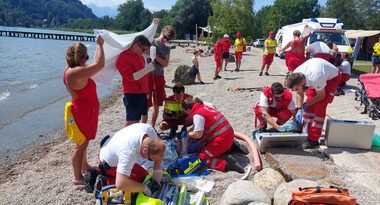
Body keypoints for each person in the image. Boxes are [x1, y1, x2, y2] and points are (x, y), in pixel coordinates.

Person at [63, 36, 105, 185]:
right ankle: (77, 177)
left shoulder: (70, 70)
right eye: (86, 56)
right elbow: (99, 64)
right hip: (83, 112)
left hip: (83, 110)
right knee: (80, 145)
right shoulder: (75, 73)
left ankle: (84, 165)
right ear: (79, 57)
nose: (88, 59)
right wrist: (99, 45)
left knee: (83, 143)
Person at [181, 98, 248, 173]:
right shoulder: (205, 107)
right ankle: (232, 146)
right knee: (210, 144)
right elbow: (196, 127)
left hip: (222, 140)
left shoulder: (197, 115)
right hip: (229, 134)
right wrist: (188, 132)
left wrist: (186, 134)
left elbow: (198, 135)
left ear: (188, 110)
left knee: (203, 157)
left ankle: (226, 164)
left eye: (186, 112)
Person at [286, 58, 341, 149]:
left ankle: (313, 140)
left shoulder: (316, 77)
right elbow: (299, 93)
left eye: (296, 88)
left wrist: (306, 104)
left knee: (319, 108)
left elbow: (321, 96)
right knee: (308, 109)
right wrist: (300, 108)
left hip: (332, 78)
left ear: (302, 83)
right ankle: (305, 133)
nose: (295, 90)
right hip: (316, 74)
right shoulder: (296, 74)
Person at [98, 123, 166, 194]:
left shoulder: (150, 131)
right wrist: (144, 188)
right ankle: (104, 178)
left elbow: (158, 153)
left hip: (114, 144)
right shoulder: (129, 152)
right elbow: (120, 183)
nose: (154, 161)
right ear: (145, 151)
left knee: (144, 176)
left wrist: (157, 173)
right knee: (137, 183)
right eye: (151, 159)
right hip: (108, 163)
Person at [115, 35, 152, 127]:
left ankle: (134, 139)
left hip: (142, 92)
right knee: (132, 120)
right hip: (132, 93)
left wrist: (146, 90)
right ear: (136, 46)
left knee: (137, 119)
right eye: (143, 50)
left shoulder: (139, 56)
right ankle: (124, 140)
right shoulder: (123, 57)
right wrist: (147, 69)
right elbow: (131, 77)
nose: (144, 52)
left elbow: (142, 76)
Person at [148, 25, 176, 128]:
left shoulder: (167, 48)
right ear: (161, 32)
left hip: (159, 76)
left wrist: (155, 56)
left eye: (168, 39)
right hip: (147, 76)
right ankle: (143, 127)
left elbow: (165, 64)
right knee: (146, 104)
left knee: (156, 104)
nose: (166, 40)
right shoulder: (151, 42)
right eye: (165, 37)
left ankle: (151, 127)